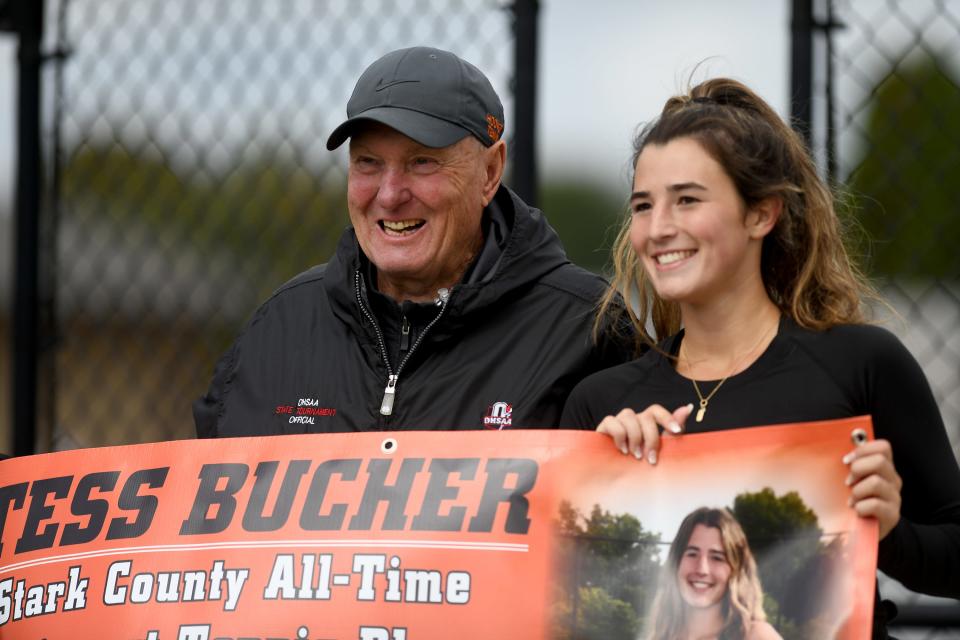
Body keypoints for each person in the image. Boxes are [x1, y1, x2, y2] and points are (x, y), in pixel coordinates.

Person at [560, 78, 960, 635]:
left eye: (688, 200)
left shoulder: (861, 363)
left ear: (761, 215)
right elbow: (569, 604)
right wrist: (608, 480)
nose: (659, 229)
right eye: (644, 206)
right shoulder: (603, 403)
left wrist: (888, 530)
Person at [194, 46, 628, 437]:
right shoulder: (280, 327)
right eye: (368, 163)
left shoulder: (587, 329)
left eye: (422, 162)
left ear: (491, 172)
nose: (389, 194)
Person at [645, 507, 781, 640]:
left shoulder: (756, 635)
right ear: (676, 563)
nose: (701, 569)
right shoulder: (661, 636)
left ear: (736, 570)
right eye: (692, 554)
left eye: (717, 558)